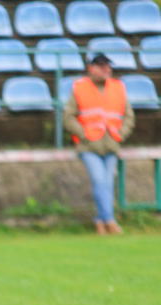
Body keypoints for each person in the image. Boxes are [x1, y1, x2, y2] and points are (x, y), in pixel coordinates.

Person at [64, 54, 135, 235]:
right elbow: (68, 117)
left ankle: (100, 220)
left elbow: (129, 116)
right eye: (101, 66)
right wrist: (83, 134)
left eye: (108, 66)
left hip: (111, 144)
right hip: (89, 145)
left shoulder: (118, 88)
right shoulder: (79, 87)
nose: (106, 70)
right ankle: (109, 220)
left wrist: (121, 134)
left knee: (107, 183)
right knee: (100, 181)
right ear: (91, 68)